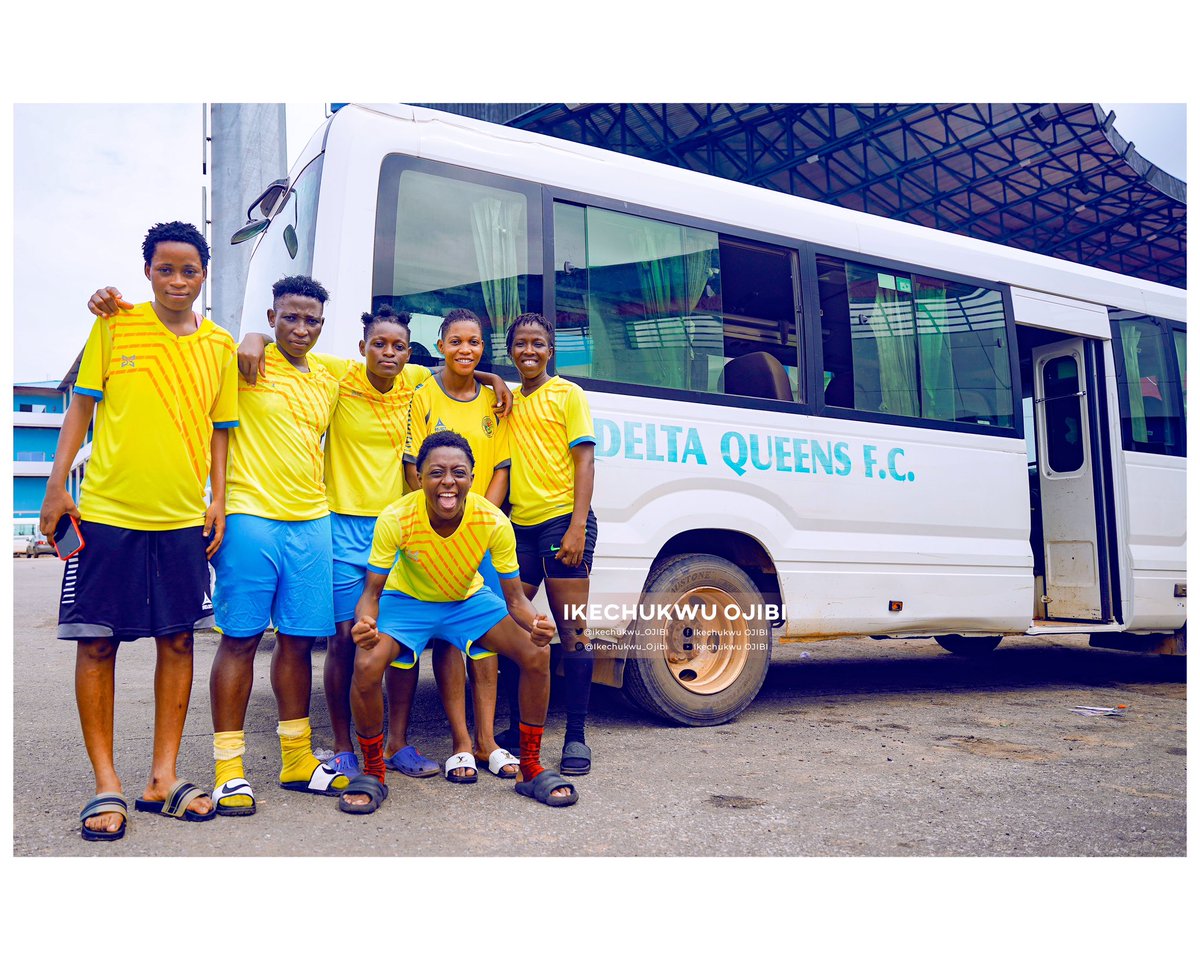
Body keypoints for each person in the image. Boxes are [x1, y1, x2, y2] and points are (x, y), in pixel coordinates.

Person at [94, 275, 350, 813]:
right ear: (272, 316)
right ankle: (230, 770)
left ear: (324, 326)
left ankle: (298, 760)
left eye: (312, 320)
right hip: (249, 517)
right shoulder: (243, 363)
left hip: (312, 523)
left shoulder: (329, 378)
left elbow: (400, 368)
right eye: (290, 317)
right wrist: (252, 338)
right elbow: (227, 355)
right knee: (240, 639)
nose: (301, 328)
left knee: (299, 642)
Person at [236, 305, 513, 780]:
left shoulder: (412, 380)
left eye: (398, 346)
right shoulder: (337, 374)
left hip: (400, 529)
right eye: (378, 345)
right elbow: (288, 344)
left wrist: (493, 378)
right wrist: (254, 338)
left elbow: (457, 362)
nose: (388, 353)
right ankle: (344, 745)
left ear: (407, 353)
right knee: (346, 639)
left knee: (402, 641)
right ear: (361, 348)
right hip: (344, 528)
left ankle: (399, 743)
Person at [51, 221, 235, 841]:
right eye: (166, 268)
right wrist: (57, 488)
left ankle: (163, 778)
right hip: (106, 513)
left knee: (177, 641)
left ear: (204, 274)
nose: (178, 279)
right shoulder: (114, 323)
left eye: (189, 270)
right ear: (147, 272)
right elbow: (82, 405)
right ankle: (107, 784)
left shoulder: (220, 346)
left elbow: (220, 430)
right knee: (97, 642)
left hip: (183, 516)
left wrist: (219, 500)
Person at [339, 431, 578, 813]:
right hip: (407, 602)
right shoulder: (396, 517)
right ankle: (373, 772)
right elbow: (372, 592)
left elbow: (515, 599)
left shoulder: (492, 520)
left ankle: (530, 769)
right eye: (436, 472)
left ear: (471, 476)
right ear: (418, 477)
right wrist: (365, 622)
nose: (448, 481)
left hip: (466, 600)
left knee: (537, 654)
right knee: (366, 664)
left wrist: (536, 623)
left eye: (458, 472)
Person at [402, 309, 519, 783]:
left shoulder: (495, 397)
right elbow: (414, 466)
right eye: (455, 341)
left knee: (485, 637)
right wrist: (443, 520)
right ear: (441, 343)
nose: (465, 350)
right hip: (436, 533)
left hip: (482, 534)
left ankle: (489, 740)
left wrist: (478, 521)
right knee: (449, 637)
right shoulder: (423, 393)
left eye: (473, 342)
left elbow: (502, 470)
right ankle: (461, 742)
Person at [503, 313, 599, 775]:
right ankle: (513, 729)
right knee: (516, 628)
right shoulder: (507, 400)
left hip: (562, 523)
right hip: (518, 527)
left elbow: (585, 463)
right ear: (510, 351)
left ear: (550, 350)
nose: (529, 351)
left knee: (572, 633)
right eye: (521, 344)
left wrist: (577, 526)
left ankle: (576, 737)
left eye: (538, 343)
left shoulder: (568, 395)